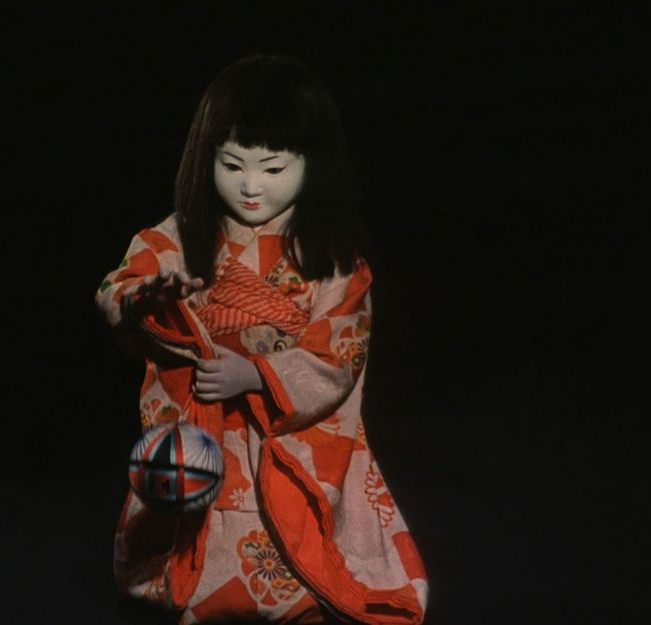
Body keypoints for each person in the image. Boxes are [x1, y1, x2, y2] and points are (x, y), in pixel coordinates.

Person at [95, 54, 428, 625]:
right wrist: (147, 300)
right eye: (232, 165)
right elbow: (117, 289)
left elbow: (338, 354)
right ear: (207, 159)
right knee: (200, 533)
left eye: (273, 170)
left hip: (282, 435)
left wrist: (257, 374)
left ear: (312, 163)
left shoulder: (334, 259)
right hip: (205, 430)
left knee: (293, 544)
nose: (250, 186)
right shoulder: (175, 237)